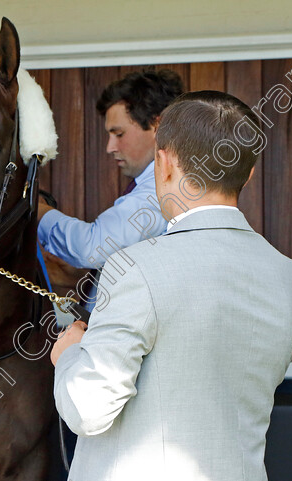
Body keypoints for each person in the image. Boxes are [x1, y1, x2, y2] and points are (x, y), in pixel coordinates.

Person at [51, 91, 292, 480]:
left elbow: (88, 408)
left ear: (163, 162)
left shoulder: (135, 267)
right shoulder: (287, 275)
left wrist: (68, 355)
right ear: (249, 173)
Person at [37, 69, 184, 307]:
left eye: (119, 133)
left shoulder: (163, 190)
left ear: (158, 126)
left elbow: (92, 247)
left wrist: (39, 213)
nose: (110, 147)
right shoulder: (157, 184)